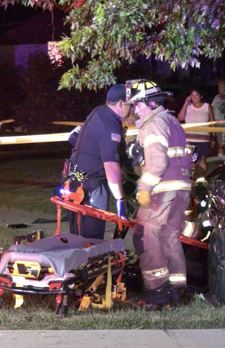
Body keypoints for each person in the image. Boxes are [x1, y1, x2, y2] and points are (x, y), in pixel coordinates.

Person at [127, 79, 192, 306]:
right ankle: (177, 290)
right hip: (181, 189)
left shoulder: (153, 124)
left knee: (146, 237)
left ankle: (156, 292)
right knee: (170, 238)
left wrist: (144, 189)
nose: (135, 110)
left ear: (152, 104)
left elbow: (157, 162)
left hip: (160, 191)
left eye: (138, 105)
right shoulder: (172, 120)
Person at [66, 84, 130, 240]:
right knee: (91, 238)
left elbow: (74, 137)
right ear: (121, 104)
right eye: (131, 104)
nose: (133, 109)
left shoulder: (100, 112)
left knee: (79, 236)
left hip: (77, 182)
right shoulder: (109, 126)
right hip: (90, 188)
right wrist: (120, 200)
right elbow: (110, 165)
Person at [177, 89, 215, 170]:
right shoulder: (188, 107)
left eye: (196, 95)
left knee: (202, 159)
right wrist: (185, 103)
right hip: (189, 139)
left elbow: (212, 122)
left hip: (204, 139)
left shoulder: (207, 106)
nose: (194, 97)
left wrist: (213, 136)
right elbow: (180, 118)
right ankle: (191, 180)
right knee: (190, 160)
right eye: (192, 95)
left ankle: (202, 179)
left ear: (201, 96)